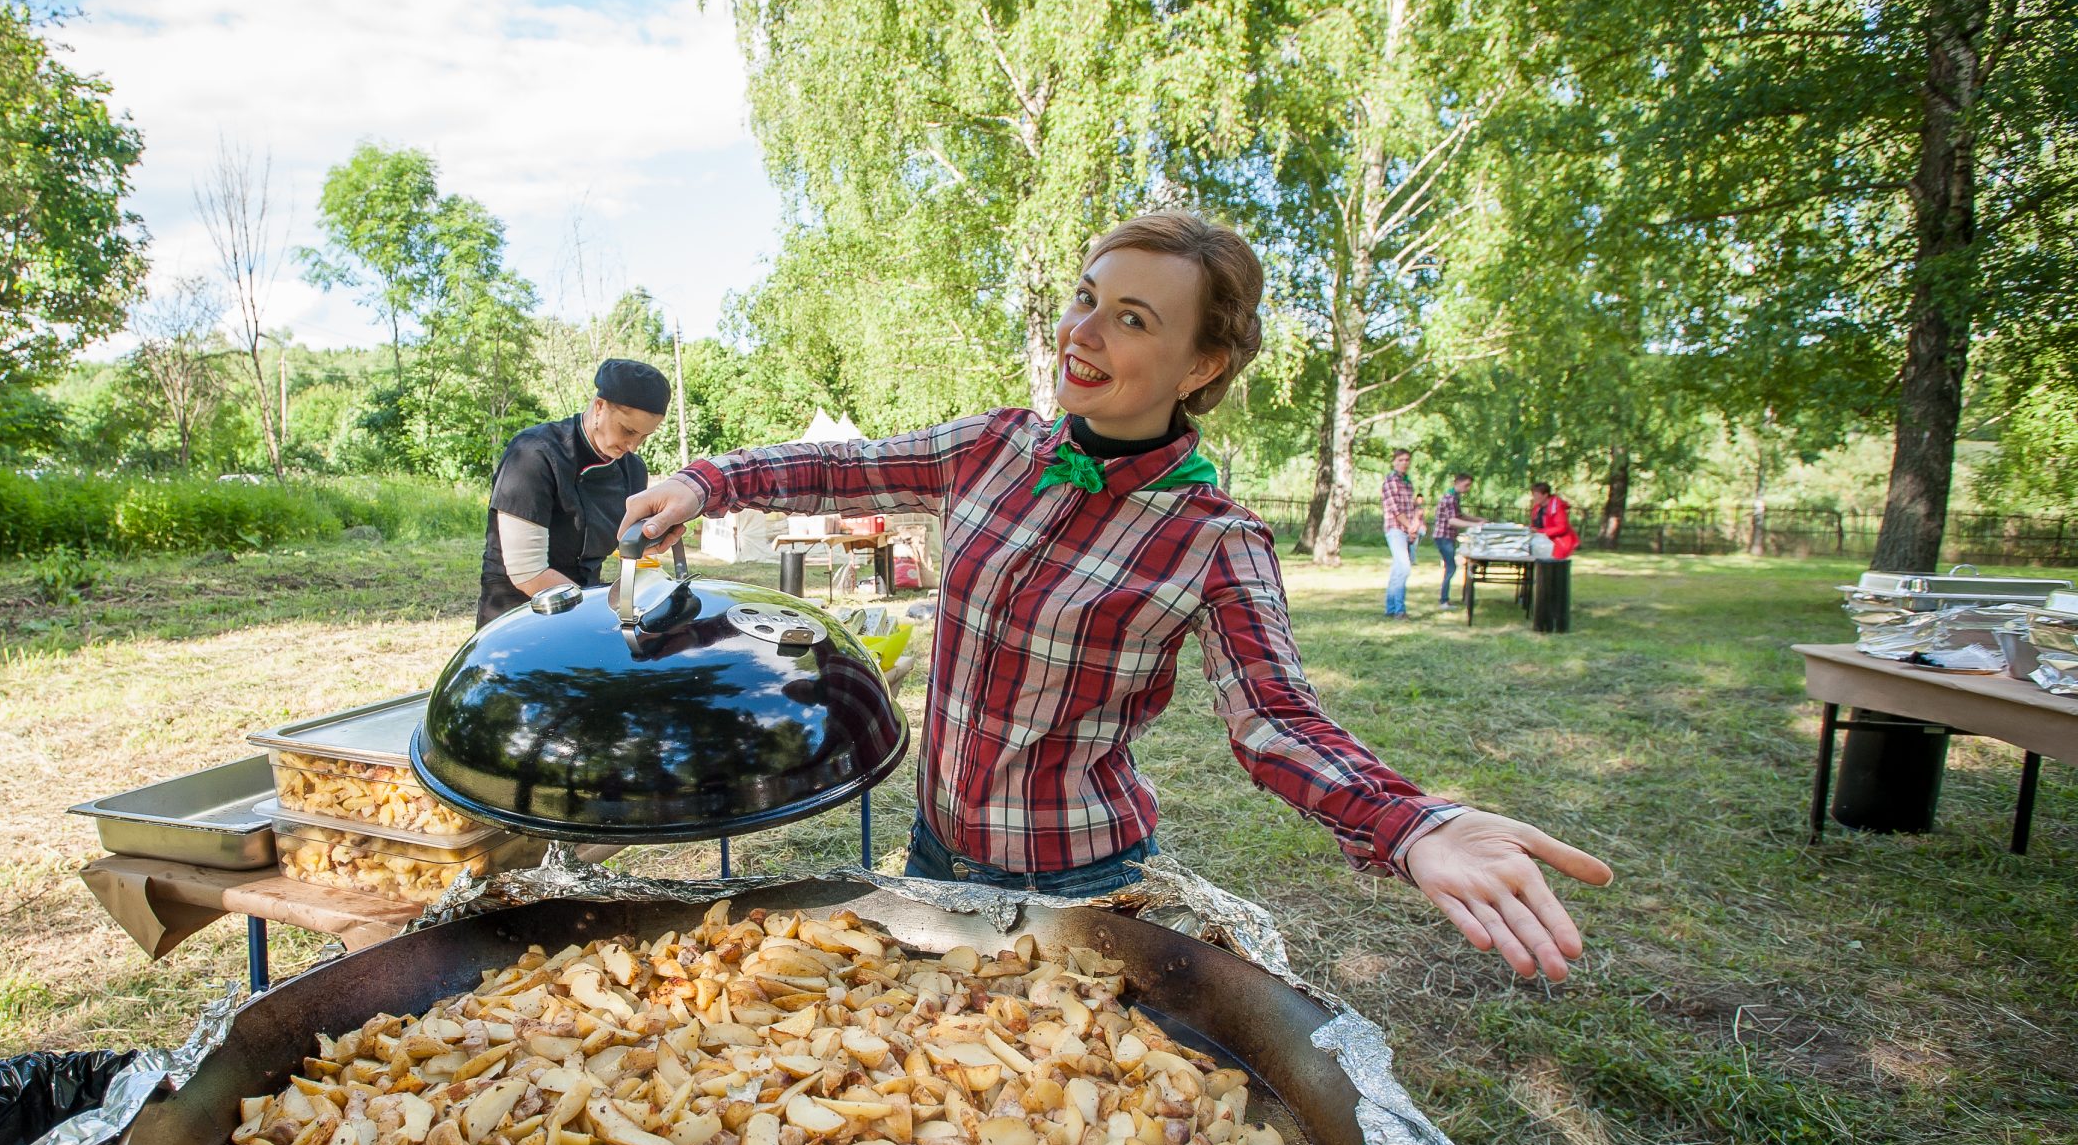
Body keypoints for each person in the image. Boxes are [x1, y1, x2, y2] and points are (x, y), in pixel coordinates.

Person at [622, 212, 1610, 980]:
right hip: (935, 849)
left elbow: (1274, 717)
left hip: (1077, 877)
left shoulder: (1213, 538)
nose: (1082, 333)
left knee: (1045, 1101)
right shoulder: (994, 449)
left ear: (1202, 364)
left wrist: (1411, 823)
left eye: (1132, 319)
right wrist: (707, 481)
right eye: (1086, 297)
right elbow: (844, 470)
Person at [475, 358, 670, 628]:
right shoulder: (534, 455)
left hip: (582, 613)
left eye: (644, 437)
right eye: (628, 430)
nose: (633, 446)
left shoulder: (633, 471)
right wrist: (598, 615)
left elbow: (636, 555)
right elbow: (528, 572)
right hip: (518, 617)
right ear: (599, 407)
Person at [1380, 450, 1423, 619]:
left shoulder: (1408, 483)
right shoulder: (1391, 481)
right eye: (1400, 460)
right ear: (1394, 462)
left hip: (1408, 529)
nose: (1404, 463)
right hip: (1395, 529)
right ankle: (1400, 610)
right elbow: (1395, 509)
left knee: (1398, 569)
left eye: (1407, 460)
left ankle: (1390, 609)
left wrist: (1414, 527)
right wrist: (1410, 527)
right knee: (1404, 568)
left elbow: (1410, 508)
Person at [1432, 473, 1484, 609]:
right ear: (1457, 482)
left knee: (1450, 567)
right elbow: (1452, 520)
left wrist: (1478, 520)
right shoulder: (1449, 498)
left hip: (1448, 536)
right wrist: (1474, 525)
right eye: (1466, 485)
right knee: (1451, 567)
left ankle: (1445, 599)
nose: (1467, 488)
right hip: (1443, 536)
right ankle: (1443, 600)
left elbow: (1459, 515)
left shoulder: (1454, 497)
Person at [1529, 481, 1578, 559]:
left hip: (1559, 543)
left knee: (1551, 568)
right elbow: (1534, 525)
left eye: (1536, 495)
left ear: (1545, 495)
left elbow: (1562, 528)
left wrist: (1540, 532)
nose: (1533, 497)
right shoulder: (1537, 508)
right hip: (1542, 542)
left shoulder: (1557, 507)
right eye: (1533, 494)